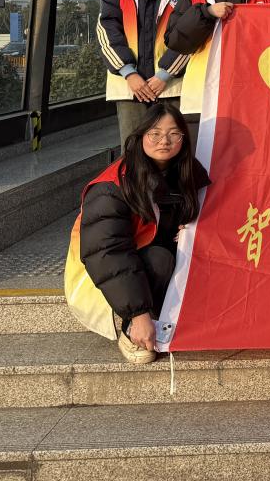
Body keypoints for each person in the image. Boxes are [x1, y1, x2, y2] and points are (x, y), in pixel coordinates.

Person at [65, 102, 208, 364]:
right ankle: (132, 329)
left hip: (145, 264)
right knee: (160, 259)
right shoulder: (112, 187)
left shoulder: (187, 173)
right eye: (155, 133)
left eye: (174, 133)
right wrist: (139, 314)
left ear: (184, 139)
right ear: (141, 136)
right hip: (102, 279)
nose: (164, 141)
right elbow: (107, 255)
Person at [97, 0, 189, 148]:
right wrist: (129, 73)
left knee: (173, 151)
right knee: (134, 152)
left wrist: (165, 74)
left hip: (172, 87)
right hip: (130, 88)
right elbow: (107, 29)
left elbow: (193, 33)